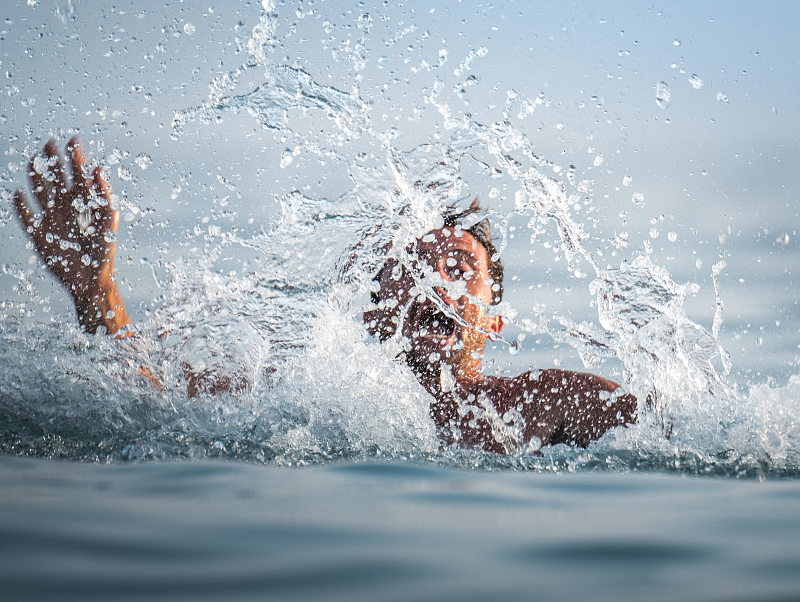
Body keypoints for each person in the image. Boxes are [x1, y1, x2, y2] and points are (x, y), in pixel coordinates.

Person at [14, 137, 637, 454]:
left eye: (458, 266)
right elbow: (140, 400)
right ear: (375, 312)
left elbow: (671, 430)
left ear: (493, 320)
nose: (435, 281)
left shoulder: (543, 405)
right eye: (411, 265)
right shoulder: (300, 401)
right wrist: (98, 290)